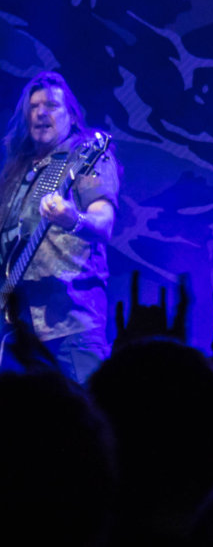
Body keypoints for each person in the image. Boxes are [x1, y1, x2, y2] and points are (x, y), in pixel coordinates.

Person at [0, 70, 118, 381]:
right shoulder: (16, 172)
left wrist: (73, 218)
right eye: (33, 107)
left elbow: (104, 223)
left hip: (72, 323)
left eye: (51, 105)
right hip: (19, 333)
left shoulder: (85, 157)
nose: (41, 113)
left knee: (88, 407)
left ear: (71, 115)